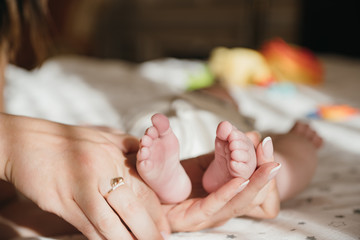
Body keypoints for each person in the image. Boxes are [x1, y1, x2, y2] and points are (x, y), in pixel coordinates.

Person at [0, 1, 284, 239]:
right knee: (282, 158)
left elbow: (6, 203)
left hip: (173, 141)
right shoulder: (219, 100)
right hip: (204, 124)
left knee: (262, 169)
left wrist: (122, 204)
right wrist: (10, 142)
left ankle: (176, 180)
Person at [137, 112, 322, 205]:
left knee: (264, 161)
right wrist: (294, 139)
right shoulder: (229, 109)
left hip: (158, 131)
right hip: (224, 135)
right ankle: (248, 171)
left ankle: (172, 181)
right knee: (287, 155)